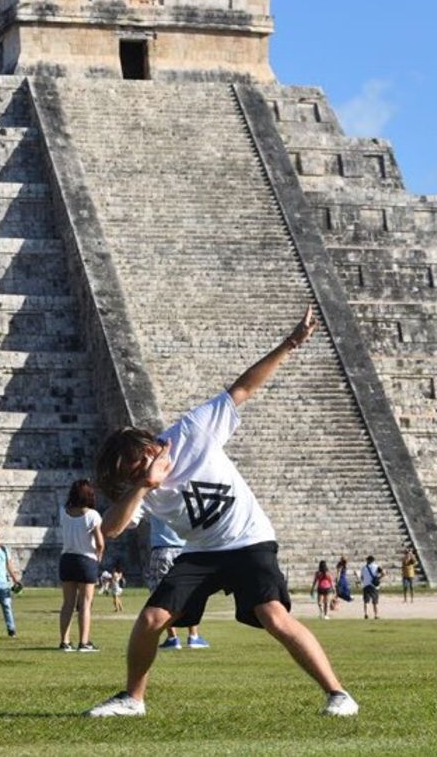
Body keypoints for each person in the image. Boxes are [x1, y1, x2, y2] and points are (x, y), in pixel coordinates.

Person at [85, 306, 358, 717]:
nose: (139, 472)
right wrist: (143, 486)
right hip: (201, 552)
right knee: (151, 619)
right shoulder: (142, 487)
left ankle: (339, 694)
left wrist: (290, 343)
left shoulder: (191, 431)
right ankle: (132, 699)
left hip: (249, 539)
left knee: (273, 616)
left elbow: (241, 390)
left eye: (139, 464)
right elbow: (112, 528)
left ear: (148, 445)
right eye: (131, 474)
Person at [148, 515, 209, 650]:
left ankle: (172, 638)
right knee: (191, 593)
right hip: (185, 550)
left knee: (161, 595)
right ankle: (193, 636)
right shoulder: (181, 500)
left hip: (162, 549)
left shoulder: (152, 502)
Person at [58, 479, 102, 651]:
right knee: (85, 603)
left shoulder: (64, 512)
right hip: (86, 559)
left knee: (67, 603)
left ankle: (64, 641)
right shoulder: (93, 515)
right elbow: (100, 543)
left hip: (67, 559)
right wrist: (99, 556)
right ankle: (84, 642)